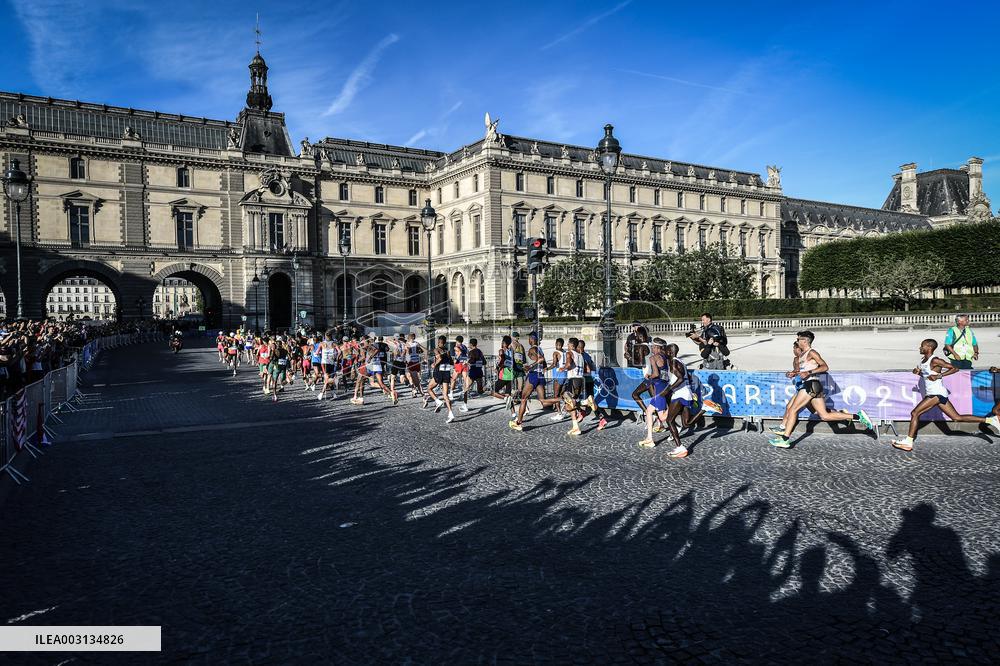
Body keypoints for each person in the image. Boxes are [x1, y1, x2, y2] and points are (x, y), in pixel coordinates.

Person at [768, 330, 874, 448]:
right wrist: (794, 373)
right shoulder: (802, 355)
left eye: (799, 339)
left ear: (804, 341)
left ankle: (785, 439)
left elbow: (825, 366)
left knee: (792, 410)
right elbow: (804, 369)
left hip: (811, 384)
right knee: (824, 416)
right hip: (813, 386)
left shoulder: (812, 352)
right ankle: (858, 416)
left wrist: (809, 372)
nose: (797, 341)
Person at [890, 339, 1000, 451]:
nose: (920, 348)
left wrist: (939, 376)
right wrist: (918, 372)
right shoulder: (923, 361)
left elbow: (955, 368)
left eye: (922, 346)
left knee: (915, 413)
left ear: (929, 347)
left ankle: (908, 442)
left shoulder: (935, 360)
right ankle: (990, 420)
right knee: (957, 418)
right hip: (936, 394)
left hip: (936, 394)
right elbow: (927, 374)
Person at [424, 334, 456, 423]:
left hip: (439, 372)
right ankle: (450, 413)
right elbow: (451, 362)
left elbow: (439, 358)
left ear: (439, 342)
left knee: (429, 388)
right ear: (445, 342)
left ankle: (438, 401)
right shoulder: (447, 351)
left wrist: (434, 364)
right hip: (446, 373)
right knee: (445, 395)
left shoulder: (436, 349)